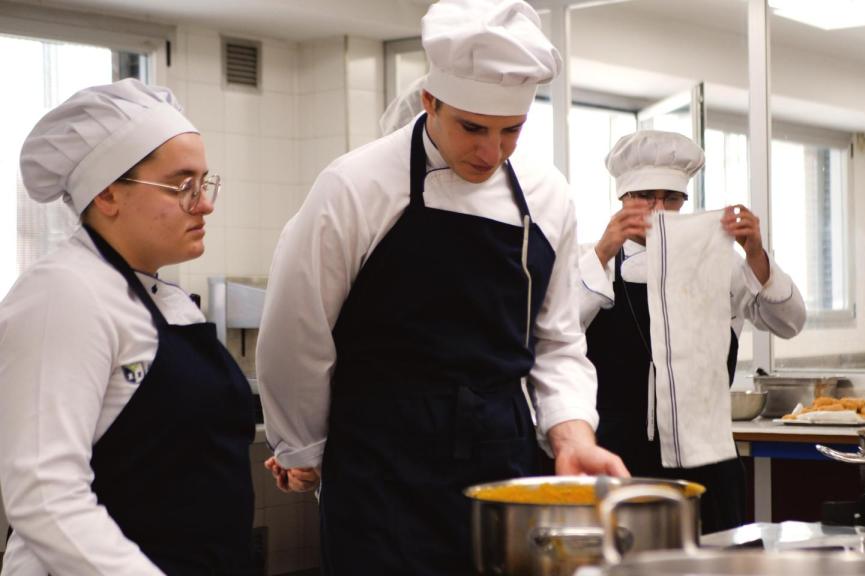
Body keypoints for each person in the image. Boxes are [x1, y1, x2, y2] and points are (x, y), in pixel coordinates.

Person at [256, 1, 627, 574]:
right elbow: (297, 332)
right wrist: (303, 448)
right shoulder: (356, 186)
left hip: (503, 461)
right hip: (380, 464)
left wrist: (571, 433)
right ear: (430, 100)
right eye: (472, 127)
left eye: (511, 131)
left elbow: (555, 339)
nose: (490, 152)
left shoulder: (546, 195)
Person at [0, 79, 255, 575]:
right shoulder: (65, 294)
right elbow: (45, 495)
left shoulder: (166, 299)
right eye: (182, 185)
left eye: (205, 183)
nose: (204, 204)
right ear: (109, 194)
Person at [578, 130, 806, 534]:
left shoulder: (720, 266)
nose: (658, 209)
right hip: (616, 460)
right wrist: (602, 252)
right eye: (644, 196)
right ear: (622, 199)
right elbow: (556, 331)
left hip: (707, 463)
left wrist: (755, 253)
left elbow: (789, 322)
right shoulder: (590, 262)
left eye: (671, 198)